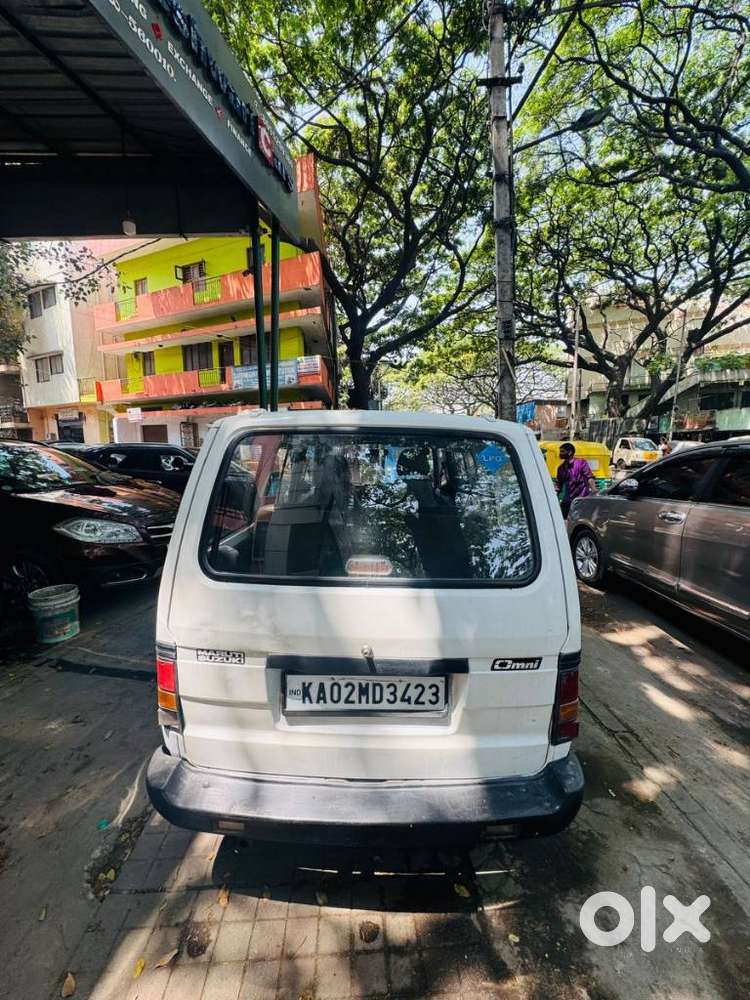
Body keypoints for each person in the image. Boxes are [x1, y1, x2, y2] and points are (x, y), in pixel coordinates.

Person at [556, 442, 597, 518]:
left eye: (562, 451)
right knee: (562, 518)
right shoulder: (561, 468)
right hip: (568, 500)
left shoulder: (581, 463)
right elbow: (559, 485)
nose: (560, 453)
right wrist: (555, 497)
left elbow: (589, 477)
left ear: (570, 452)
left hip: (582, 498)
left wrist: (594, 491)